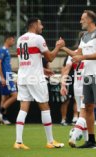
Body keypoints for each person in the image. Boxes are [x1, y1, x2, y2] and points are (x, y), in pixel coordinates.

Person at [61, 10, 96, 149]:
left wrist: (82, 57)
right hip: (87, 76)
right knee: (88, 107)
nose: (80, 21)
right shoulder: (84, 37)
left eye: (82, 19)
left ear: (90, 20)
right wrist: (63, 47)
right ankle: (91, 140)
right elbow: (77, 54)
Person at [14, 18, 65, 150]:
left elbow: (26, 61)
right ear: (35, 25)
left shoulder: (20, 39)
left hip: (23, 77)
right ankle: (50, 141)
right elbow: (50, 58)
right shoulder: (38, 38)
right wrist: (59, 46)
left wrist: (43, 70)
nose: (42, 26)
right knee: (45, 107)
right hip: (35, 78)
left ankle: (18, 142)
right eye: (40, 24)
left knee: (23, 107)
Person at [60, 52, 88, 147]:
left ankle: (87, 140)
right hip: (86, 85)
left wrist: (63, 85)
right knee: (85, 114)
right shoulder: (90, 52)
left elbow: (66, 69)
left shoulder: (71, 54)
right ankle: (74, 137)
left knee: (83, 114)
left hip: (77, 86)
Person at [0, 33, 17, 125]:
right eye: (12, 39)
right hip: (6, 77)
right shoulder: (2, 50)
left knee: (4, 98)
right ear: (7, 39)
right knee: (15, 95)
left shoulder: (6, 51)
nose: (13, 41)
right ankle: (0, 111)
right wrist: (3, 77)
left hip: (8, 76)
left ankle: (2, 118)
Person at [60, 56, 78, 126]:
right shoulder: (69, 57)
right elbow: (64, 69)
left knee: (77, 99)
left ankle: (75, 118)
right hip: (68, 80)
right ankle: (63, 119)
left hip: (77, 80)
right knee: (65, 100)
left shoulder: (82, 56)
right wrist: (62, 82)